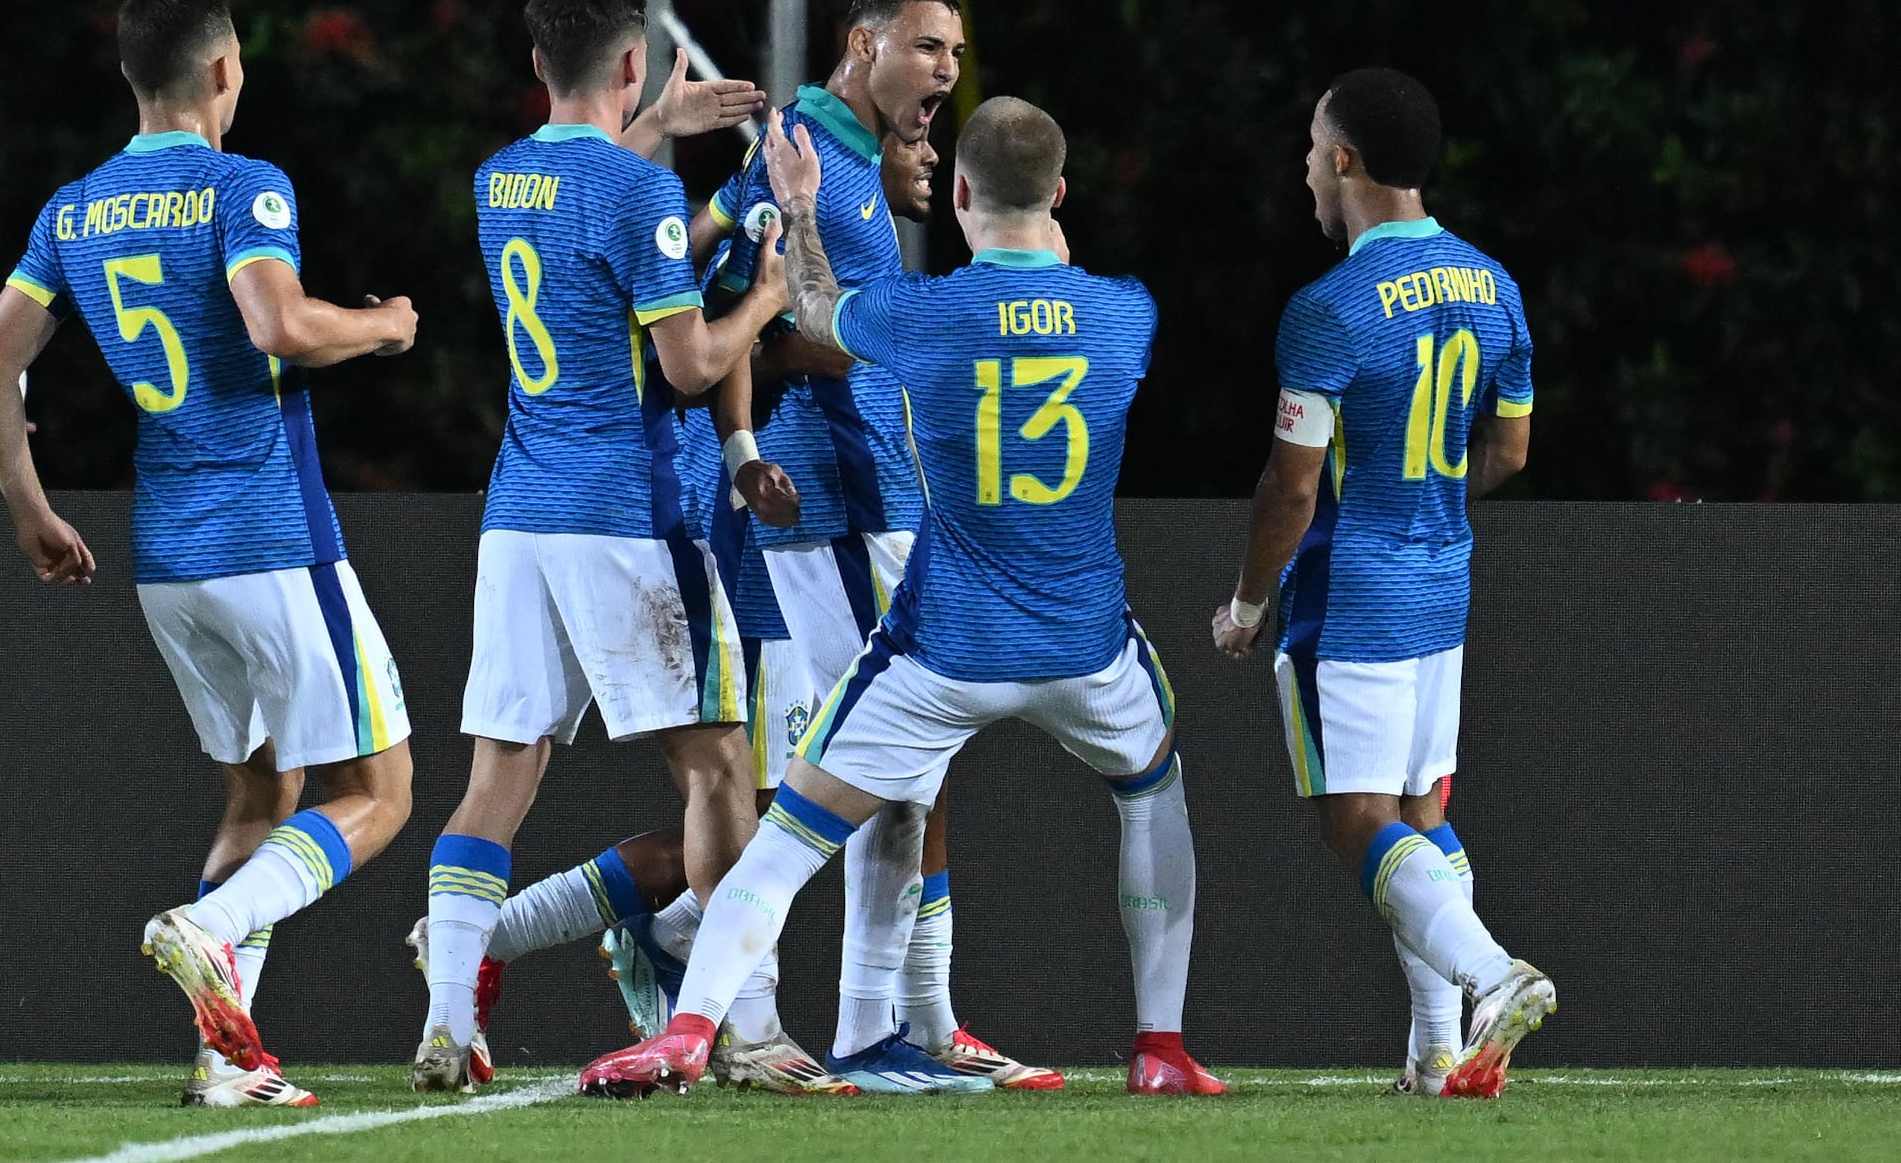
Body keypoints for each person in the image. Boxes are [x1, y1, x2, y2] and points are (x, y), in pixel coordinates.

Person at [577, 97, 1221, 1099]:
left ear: (957, 194)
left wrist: (795, 212)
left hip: (944, 646)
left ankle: (688, 1029)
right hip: (1083, 647)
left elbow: (824, 313)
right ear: (1058, 194)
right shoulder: (1124, 310)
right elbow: (1051, 303)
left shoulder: (927, 315)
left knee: (787, 833)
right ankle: (1160, 1046)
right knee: (1153, 793)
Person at [419, 136, 952, 1098]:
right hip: (710, 542)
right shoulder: (744, 200)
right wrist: (781, 299)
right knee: (753, 796)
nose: (925, 143)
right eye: (918, 119)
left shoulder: (525, 177)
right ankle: (753, 1024)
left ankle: (496, 970)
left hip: (577, 512)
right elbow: (716, 347)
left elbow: (646, 265)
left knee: (762, 807)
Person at [0, 0, 420, 1108]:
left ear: (133, 78)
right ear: (223, 71)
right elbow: (280, 324)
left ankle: (226, 1061)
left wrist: (28, 507)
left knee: (261, 797)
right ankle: (207, 927)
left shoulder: (74, 209)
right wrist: (383, 326)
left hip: (168, 556)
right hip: (271, 538)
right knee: (382, 789)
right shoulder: (240, 184)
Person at [657, 0, 1053, 1094]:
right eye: (928, 46)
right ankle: (818, 1021)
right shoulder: (803, 156)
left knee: (899, 765)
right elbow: (739, 313)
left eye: (955, 53)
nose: (946, 71)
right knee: (874, 759)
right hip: (827, 502)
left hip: (876, 499)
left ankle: (898, 1020)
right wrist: (741, 454)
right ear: (862, 42)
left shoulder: (847, 157)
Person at [409, 0, 786, 1093]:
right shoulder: (638, 199)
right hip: (624, 514)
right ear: (631, 65)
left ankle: (444, 1020)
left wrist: (659, 131)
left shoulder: (498, 179)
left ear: (539, 66)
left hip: (518, 516)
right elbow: (687, 364)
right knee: (722, 769)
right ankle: (743, 1026)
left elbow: (592, 224)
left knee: (496, 781)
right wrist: (760, 301)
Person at [1208, 68, 1553, 1100]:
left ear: (1346, 161)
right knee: (1416, 810)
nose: (1305, 167)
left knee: (1354, 821)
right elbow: (1511, 449)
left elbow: (1291, 483)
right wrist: (1429, 503)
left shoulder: (1328, 307)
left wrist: (1248, 602)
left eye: (1313, 149)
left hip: (1348, 592)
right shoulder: (1493, 283)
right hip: (1439, 583)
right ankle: (1435, 1053)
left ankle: (1492, 974)